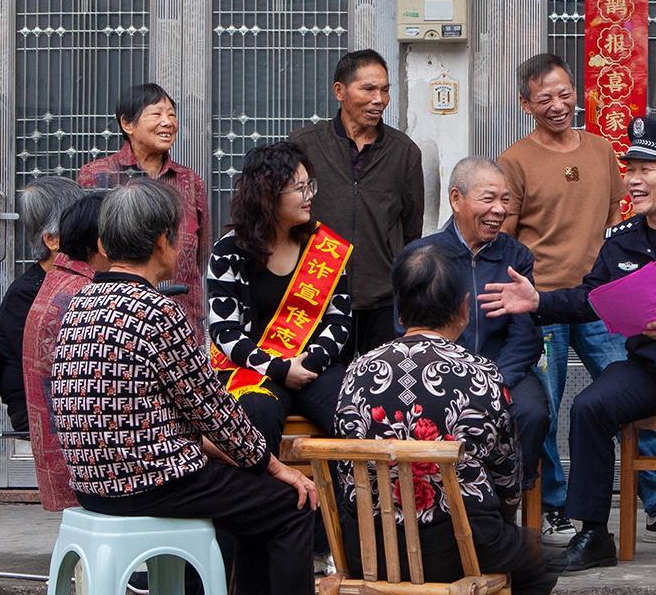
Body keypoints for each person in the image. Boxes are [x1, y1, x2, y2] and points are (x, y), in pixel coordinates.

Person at [49, 179, 320, 595]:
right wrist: (275, 465)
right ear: (161, 243)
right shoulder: (157, 312)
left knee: (252, 495)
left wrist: (241, 459)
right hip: (151, 481)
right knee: (289, 504)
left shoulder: (79, 306)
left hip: (94, 486)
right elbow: (214, 411)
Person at [481, 116, 656, 580]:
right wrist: (538, 302)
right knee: (589, 407)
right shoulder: (622, 239)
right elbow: (591, 298)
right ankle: (594, 534)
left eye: (645, 169)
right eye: (630, 169)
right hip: (648, 368)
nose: (633, 180)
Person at [497, 53, 656, 548]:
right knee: (545, 409)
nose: (557, 105)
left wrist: (615, 272)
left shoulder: (601, 150)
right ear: (525, 104)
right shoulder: (514, 161)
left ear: (578, 94)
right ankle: (555, 508)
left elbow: (619, 213)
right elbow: (506, 234)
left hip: (602, 301)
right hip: (545, 304)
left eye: (565, 94)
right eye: (544, 98)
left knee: (633, 395)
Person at [335, 245, 560, 595]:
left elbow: (348, 470)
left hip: (367, 549)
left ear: (399, 311)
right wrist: (500, 520)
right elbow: (507, 475)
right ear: (464, 309)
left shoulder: (355, 374)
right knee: (545, 560)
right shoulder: (482, 376)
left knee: (387, 548)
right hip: (459, 547)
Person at [397, 156, 550, 495]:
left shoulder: (516, 256)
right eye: (489, 198)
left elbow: (526, 336)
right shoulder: (423, 255)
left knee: (532, 411)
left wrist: (493, 378)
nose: (500, 210)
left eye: (505, 200)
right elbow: (405, 330)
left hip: (503, 370)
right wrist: (458, 375)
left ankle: (509, 496)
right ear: (456, 199)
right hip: (439, 372)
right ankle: (442, 496)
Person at [205, 142, 353, 452]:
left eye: (310, 185)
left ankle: (345, 486)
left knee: (352, 412)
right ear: (268, 195)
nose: (309, 195)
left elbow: (339, 320)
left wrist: (310, 362)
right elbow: (224, 331)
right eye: (299, 188)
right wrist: (280, 369)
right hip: (252, 368)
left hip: (314, 366)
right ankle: (271, 485)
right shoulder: (228, 252)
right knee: (257, 413)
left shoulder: (324, 247)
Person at [290, 49, 424, 358]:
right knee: (322, 380)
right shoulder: (304, 145)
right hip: (317, 293)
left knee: (381, 380)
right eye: (369, 89)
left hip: (383, 299)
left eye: (385, 90)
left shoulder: (404, 152)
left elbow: (411, 230)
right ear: (340, 91)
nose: (379, 99)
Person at [78, 82, 211, 331]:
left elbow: (201, 254)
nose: (168, 122)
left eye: (172, 114)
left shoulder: (190, 181)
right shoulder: (97, 175)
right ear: (127, 123)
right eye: (157, 114)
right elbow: (84, 252)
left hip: (183, 319)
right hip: (118, 321)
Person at [22, 190, 109, 512]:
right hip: (95, 465)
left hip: (72, 450)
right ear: (103, 244)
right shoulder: (86, 296)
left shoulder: (59, 281)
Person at [0, 176, 82, 434]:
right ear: (51, 240)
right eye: (79, 227)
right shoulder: (26, 293)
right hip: (39, 404)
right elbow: (52, 365)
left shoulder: (75, 281)